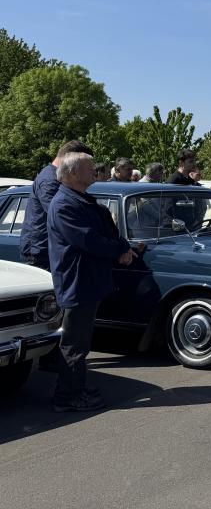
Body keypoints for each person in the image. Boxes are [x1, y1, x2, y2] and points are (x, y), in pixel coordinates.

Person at [47, 152, 137, 412]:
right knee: (74, 342)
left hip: (88, 279)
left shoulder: (82, 199)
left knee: (81, 341)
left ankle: (75, 387)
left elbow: (106, 229)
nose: (94, 172)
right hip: (77, 280)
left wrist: (122, 246)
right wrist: (119, 250)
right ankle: (67, 397)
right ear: (73, 173)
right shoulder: (64, 204)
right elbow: (89, 240)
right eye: (89, 168)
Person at [20, 140, 94, 269]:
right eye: (85, 165)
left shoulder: (54, 177)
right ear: (70, 159)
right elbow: (63, 214)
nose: (92, 171)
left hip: (46, 249)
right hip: (40, 251)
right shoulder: (49, 180)